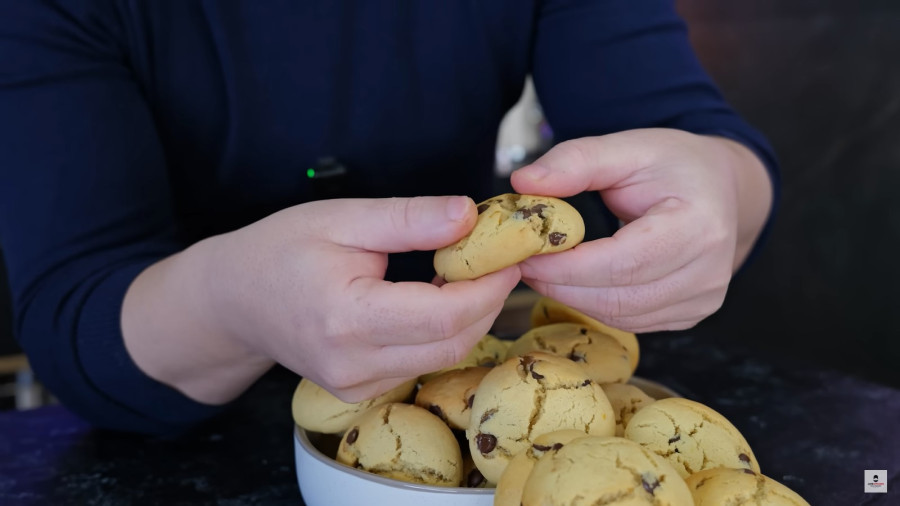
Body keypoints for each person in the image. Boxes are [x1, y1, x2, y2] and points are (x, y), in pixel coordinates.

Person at [0, 1, 776, 435]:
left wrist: (721, 195)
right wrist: (230, 303)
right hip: (182, 432)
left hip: (467, 401)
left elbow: (704, 144)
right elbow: (73, 310)